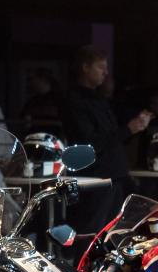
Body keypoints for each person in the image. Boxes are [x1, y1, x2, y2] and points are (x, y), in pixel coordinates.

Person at [64, 45, 152, 233]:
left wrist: (133, 129)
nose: (105, 72)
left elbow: (111, 137)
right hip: (96, 177)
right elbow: (90, 143)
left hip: (114, 175)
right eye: (100, 67)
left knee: (113, 232)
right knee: (92, 230)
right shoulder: (75, 100)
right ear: (85, 67)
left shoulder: (98, 98)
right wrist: (129, 129)